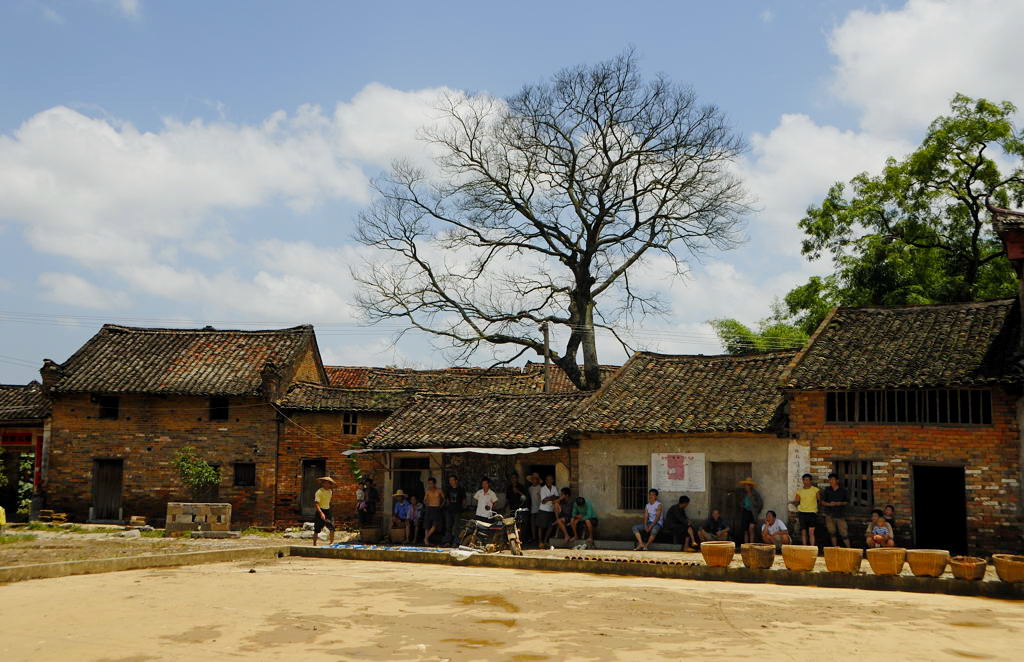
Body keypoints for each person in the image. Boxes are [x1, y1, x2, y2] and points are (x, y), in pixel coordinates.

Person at [791, 473, 820, 547]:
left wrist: (816, 509)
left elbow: (819, 501)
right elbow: (797, 502)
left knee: (811, 532)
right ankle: (804, 547)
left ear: (811, 481)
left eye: (807, 480)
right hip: (802, 513)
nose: (805, 481)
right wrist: (794, 503)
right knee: (803, 531)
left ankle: (812, 547)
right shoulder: (799, 491)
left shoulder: (815, 490)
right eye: (804, 480)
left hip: (812, 513)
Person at [821, 473, 850, 547]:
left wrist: (839, 503)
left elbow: (847, 502)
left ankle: (849, 548)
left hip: (840, 514)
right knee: (832, 532)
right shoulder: (827, 490)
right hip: (829, 514)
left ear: (837, 480)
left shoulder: (843, 490)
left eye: (832, 479)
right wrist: (830, 504)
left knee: (844, 533)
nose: (831, 481)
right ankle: (835, 548)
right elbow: (823, 502)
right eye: (829, 480)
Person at [312, 476, 336, 547]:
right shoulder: (319, 492)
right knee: (317, 528)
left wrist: (330, 509)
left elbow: (329, 501)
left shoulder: (330, 491)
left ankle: (331, 543)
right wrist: (321, 513)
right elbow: (316, 503)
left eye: (329, 483)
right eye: (325, 483)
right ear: (323, 484)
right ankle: (314, 544)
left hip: (328, 510)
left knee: (332, 526)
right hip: (320, 510)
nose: (327, 485)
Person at [738, 478, 763, 544]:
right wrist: (742, 505)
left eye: (747, 485)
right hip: (745, 513)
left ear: (750, 486)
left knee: (751, 529)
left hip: (752, 514)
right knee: (745, 530)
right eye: (745, 485)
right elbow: (741, 502)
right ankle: (746, 546)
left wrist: (756, 511)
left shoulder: (755, 494)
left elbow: (760, 504)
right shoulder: (743, 494)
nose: (745, 486)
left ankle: (751, 545)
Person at [537, 474, 559, 548]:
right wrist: (552, 497)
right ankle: (540, 542)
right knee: (541, 527)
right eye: (547, 480)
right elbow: (543, 501)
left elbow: (557, 497)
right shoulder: (543, 489)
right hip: (543, 510)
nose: (549, 481)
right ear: (546, 481)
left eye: (551, 479)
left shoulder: (554, 488)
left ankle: (545, 541)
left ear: (552, 480)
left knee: (550, 526)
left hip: (551, 510)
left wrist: (549, 498)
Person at [443, 475, 466, 546]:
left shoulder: (460, 489)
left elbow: (464, 499)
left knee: (456, 527)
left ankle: (455, 542)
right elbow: (446, 499)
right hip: (449, 510)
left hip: (457, 510)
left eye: (452, 480)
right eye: (450, 480)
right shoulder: (448, 489)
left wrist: (463, 507)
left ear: (456, 481)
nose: (451, 482)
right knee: (448, 526)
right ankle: (447, 541)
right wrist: (447, 506)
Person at [422, 477, 445, 546]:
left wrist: (441, 506)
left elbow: (444, 499)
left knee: (435, 525)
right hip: (429, 508)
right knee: (427, 525)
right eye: (429, 484)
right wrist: (426, 504)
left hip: (437, 508)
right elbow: (424, 499)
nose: (430, 485)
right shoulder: (428, 491)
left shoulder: (439, 490)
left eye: (431, 483)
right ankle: (426, 541)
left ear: (435, 484)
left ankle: (426, 538)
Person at [527, 473, 543, 543]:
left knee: (539, 525)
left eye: (535, 479)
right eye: (533, 479)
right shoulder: (530, 488)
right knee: (532, 524)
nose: (534, 480)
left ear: (537, 480)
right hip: (532, 508)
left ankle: (539, 539)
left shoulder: (540, 488)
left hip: (539, 508)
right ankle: (534, 538)